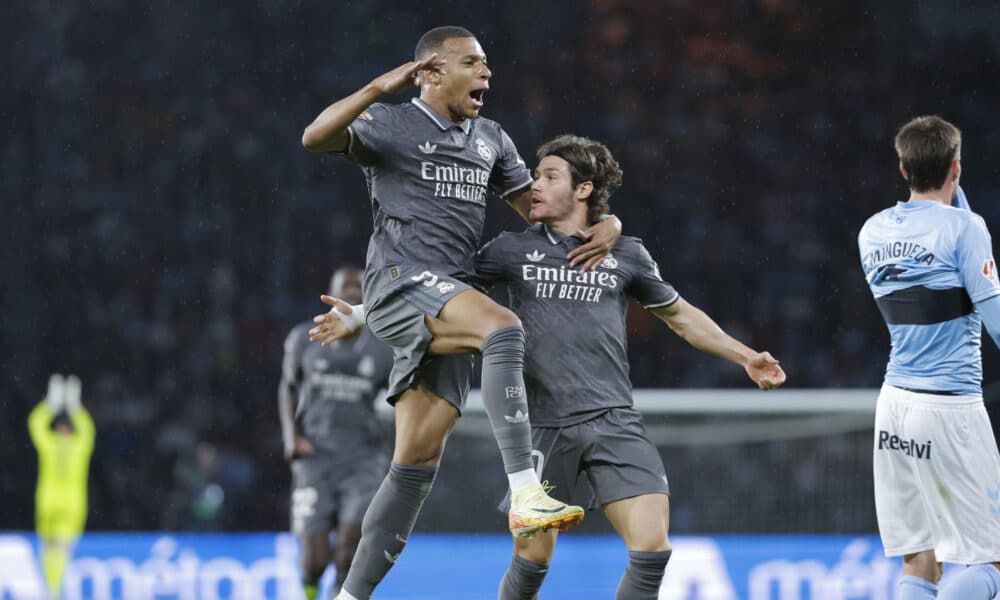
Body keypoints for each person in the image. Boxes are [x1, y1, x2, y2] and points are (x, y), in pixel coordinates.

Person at [313, 135, 786, 599]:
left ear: (584, 189)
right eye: (535, 175)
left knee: (652, 550)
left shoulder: (627, 254)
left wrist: (746, 356)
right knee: (532, 562)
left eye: (549, 176)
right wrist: (358, 315)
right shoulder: (508, 250)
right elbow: (439, 292)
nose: (533, 185)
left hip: (613, 419)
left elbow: (680, 316)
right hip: (541, 426)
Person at [301, 25, 621, 599]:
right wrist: (381, 85)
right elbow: (314, 137)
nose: (486, 74)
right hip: (402, 282)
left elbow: (539, 209)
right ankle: (526, 492)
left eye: (487, 65)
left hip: (447, 299)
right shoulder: (394, 123)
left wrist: (606, 220)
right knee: (503, 327)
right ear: (431, 71)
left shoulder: (491, 138)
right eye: (472, 63)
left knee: (414, 467)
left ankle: (347, 597)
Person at [858, 115, 1000, 600]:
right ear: (956, 168)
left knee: (920, 559)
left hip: (895, 406)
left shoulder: (872, 231)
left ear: (902, 169)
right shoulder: (967, 229)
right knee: (992, 558)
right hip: (951, 408)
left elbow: (929, 240)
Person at [279, 267, 394, 599]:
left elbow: (402, 394)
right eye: (346, 287)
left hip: (362, 461)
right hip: (315, 458)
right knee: (315, 560)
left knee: (349, 551)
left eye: (359, 286)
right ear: (331, 293)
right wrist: (291, 437)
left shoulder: (382, 347)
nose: (353, 291)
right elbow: (287, 386)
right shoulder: (304, 337)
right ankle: (312, 591)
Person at [28, 373, 96, 600]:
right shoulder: (60, 445)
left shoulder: (77, 447)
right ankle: (52, 590)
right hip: (52, 503)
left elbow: (37, 424)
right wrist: (57, 405)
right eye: (61, 428)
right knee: (49, 549)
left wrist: (66, 406)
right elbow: (37, 426)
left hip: (65, 505)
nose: (64, 432)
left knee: (58, 547)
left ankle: (53, 591)